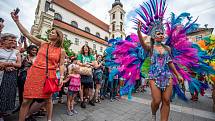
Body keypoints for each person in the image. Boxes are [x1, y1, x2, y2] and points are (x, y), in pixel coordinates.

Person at [11, 10, 65, 121]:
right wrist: (17, 21)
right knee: (26, 100)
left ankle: (49, 119)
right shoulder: (43, 43)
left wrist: (62, 77)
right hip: (35, 72)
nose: (50, 33)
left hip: (49, 75)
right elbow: (27, 34)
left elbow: (62, 65)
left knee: (48, 99)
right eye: (50, 32)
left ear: (58, 36)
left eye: (53, 32)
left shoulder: (61, 50)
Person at [137, 21, 183, 121]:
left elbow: (170, 62)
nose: (161, 35)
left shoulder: (168, 48)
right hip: (154, 75)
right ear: (153, 36)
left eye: (162, 33)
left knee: (166, 100)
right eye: (158, 33)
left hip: (167, 75)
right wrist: (138, 31)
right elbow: (142, 43)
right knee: (157, 100)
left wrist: (178, 74)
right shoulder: (150, 48)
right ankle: (153, 113)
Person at [0, 33, 22, 121]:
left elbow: (19, 64)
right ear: (3, 41)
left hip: (11, 75)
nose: (13, 42)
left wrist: (7, 64)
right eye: (10, 40)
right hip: (1, 73)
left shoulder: (16, 52)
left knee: (6, 94)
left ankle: (2, 112)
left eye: (14, 40)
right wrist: (5, 66)